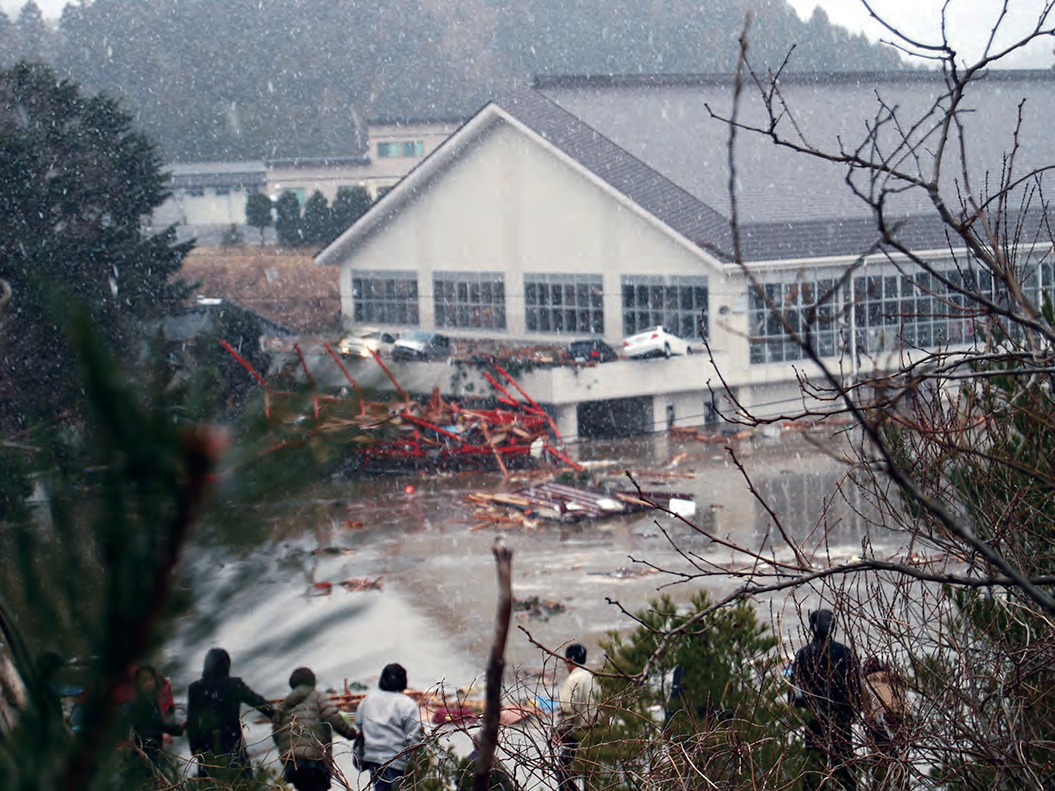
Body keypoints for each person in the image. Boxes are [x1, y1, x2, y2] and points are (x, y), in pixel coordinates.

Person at [791, 609, 862, 791]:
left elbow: (794, 693)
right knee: (844, 765)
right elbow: (857, 690)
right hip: (841, 719)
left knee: (814, 765)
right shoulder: (846, 653)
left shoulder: (802, 655)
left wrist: (800, 713)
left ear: (812, 628)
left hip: (813, 719)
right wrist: (854, 712)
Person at [186, 647, 274, 780]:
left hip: (208, 748)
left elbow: (192, 722)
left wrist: (194, 747)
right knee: (242, 782)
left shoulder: (195, 689)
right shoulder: (234, 685)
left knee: (211, 784)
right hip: (233, 743)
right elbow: (258, 702)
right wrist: (274, 714)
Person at [272, 666, 357, 791]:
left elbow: (275, 733)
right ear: (313, 682)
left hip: (293, 762)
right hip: (314, 760)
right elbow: (332, 717)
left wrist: (286, 751)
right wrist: (349, 732)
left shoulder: (283, 706)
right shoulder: (318, 697)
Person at [354, 663, 423, 791]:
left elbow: (358, 723)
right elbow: (414, 736)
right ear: (404, 681)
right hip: (397, 760)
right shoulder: (407, 704)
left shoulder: (368, 700)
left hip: (374, 759)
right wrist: (417, 763)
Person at [553, 643, 599, 791]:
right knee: (592, 779)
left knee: (563, 775)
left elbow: (566, 711)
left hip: (577, 738)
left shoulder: (573, 680)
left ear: (570, 660)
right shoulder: (594, 679)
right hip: (597, 738)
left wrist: (558, 732)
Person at [126, 666, 183, 785]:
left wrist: (176, 729)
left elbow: (158, 725)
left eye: (151, 679)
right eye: (145, 681)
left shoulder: (152, 702)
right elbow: (146, 729)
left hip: (153, 752)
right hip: (143, 754)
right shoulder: (139, 704)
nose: (150, 683)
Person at [861, 656, 909, 789]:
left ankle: (879, 786)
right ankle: (903, 785)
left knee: (878, 764)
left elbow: (865, 708)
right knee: (901, 763)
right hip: (899, 721)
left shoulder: (865, 682)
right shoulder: (896, 680)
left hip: (879, 724)